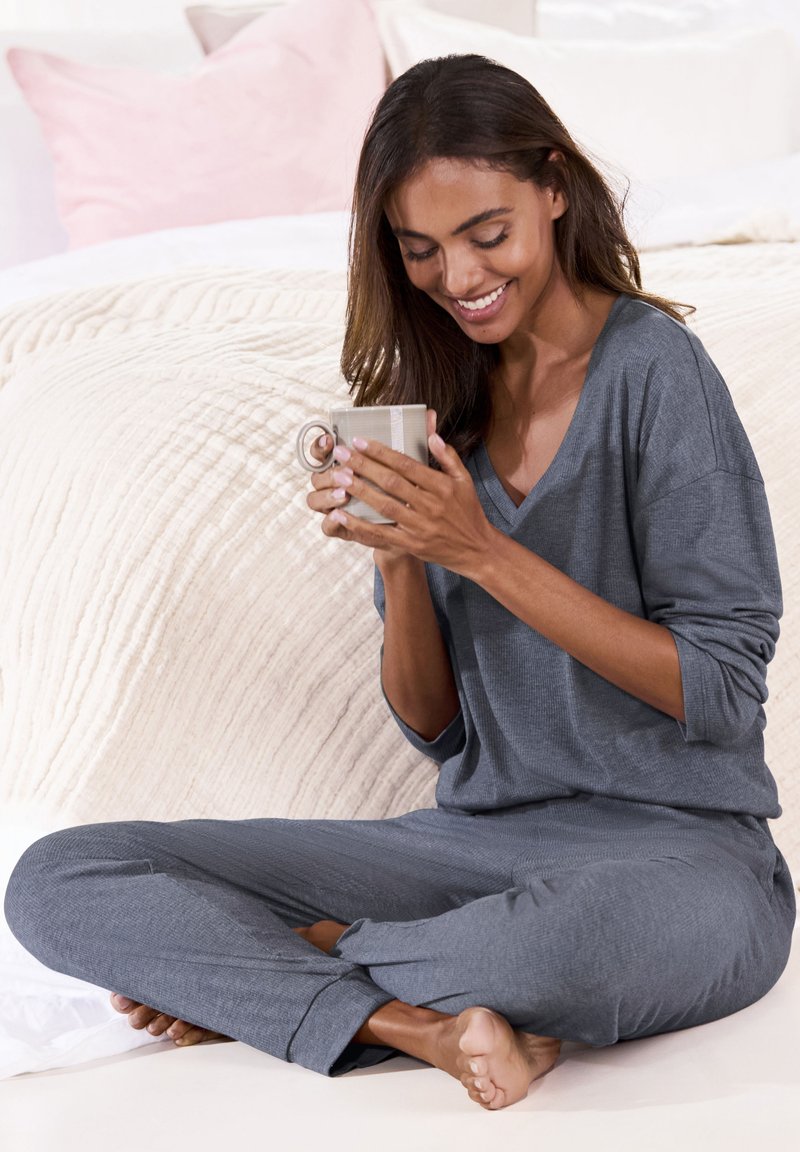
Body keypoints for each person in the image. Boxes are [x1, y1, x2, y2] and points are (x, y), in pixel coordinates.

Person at [4, 55, 795, 1113]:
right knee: (58, 880)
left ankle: (285, 969)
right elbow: (434, 731)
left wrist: (479, 551)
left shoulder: (655, 373)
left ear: (553, 187)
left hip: (678, 857)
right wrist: (402, 566)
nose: (458, 278)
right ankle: (411, 1020)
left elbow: (717, 688)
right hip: (466, 848)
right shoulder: (436, 409)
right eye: (419, 251)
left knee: (573, 950)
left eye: (485, 234)